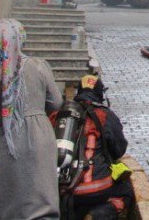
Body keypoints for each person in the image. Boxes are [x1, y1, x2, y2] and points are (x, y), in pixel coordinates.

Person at [0, 19, 63, 220]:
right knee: (41, 197)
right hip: (39, 139)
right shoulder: (39, 67)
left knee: (3, 202)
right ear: (20, 40)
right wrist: (34, 113)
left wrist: (0, 123)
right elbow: (56, 103)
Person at [54, 74, 134, 220]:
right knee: (126, 189)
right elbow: (119, 150)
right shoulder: (105, 115)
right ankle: (96, 215)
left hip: (61, 190)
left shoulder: (58, 116)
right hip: (97, 190)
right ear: (100, 94)